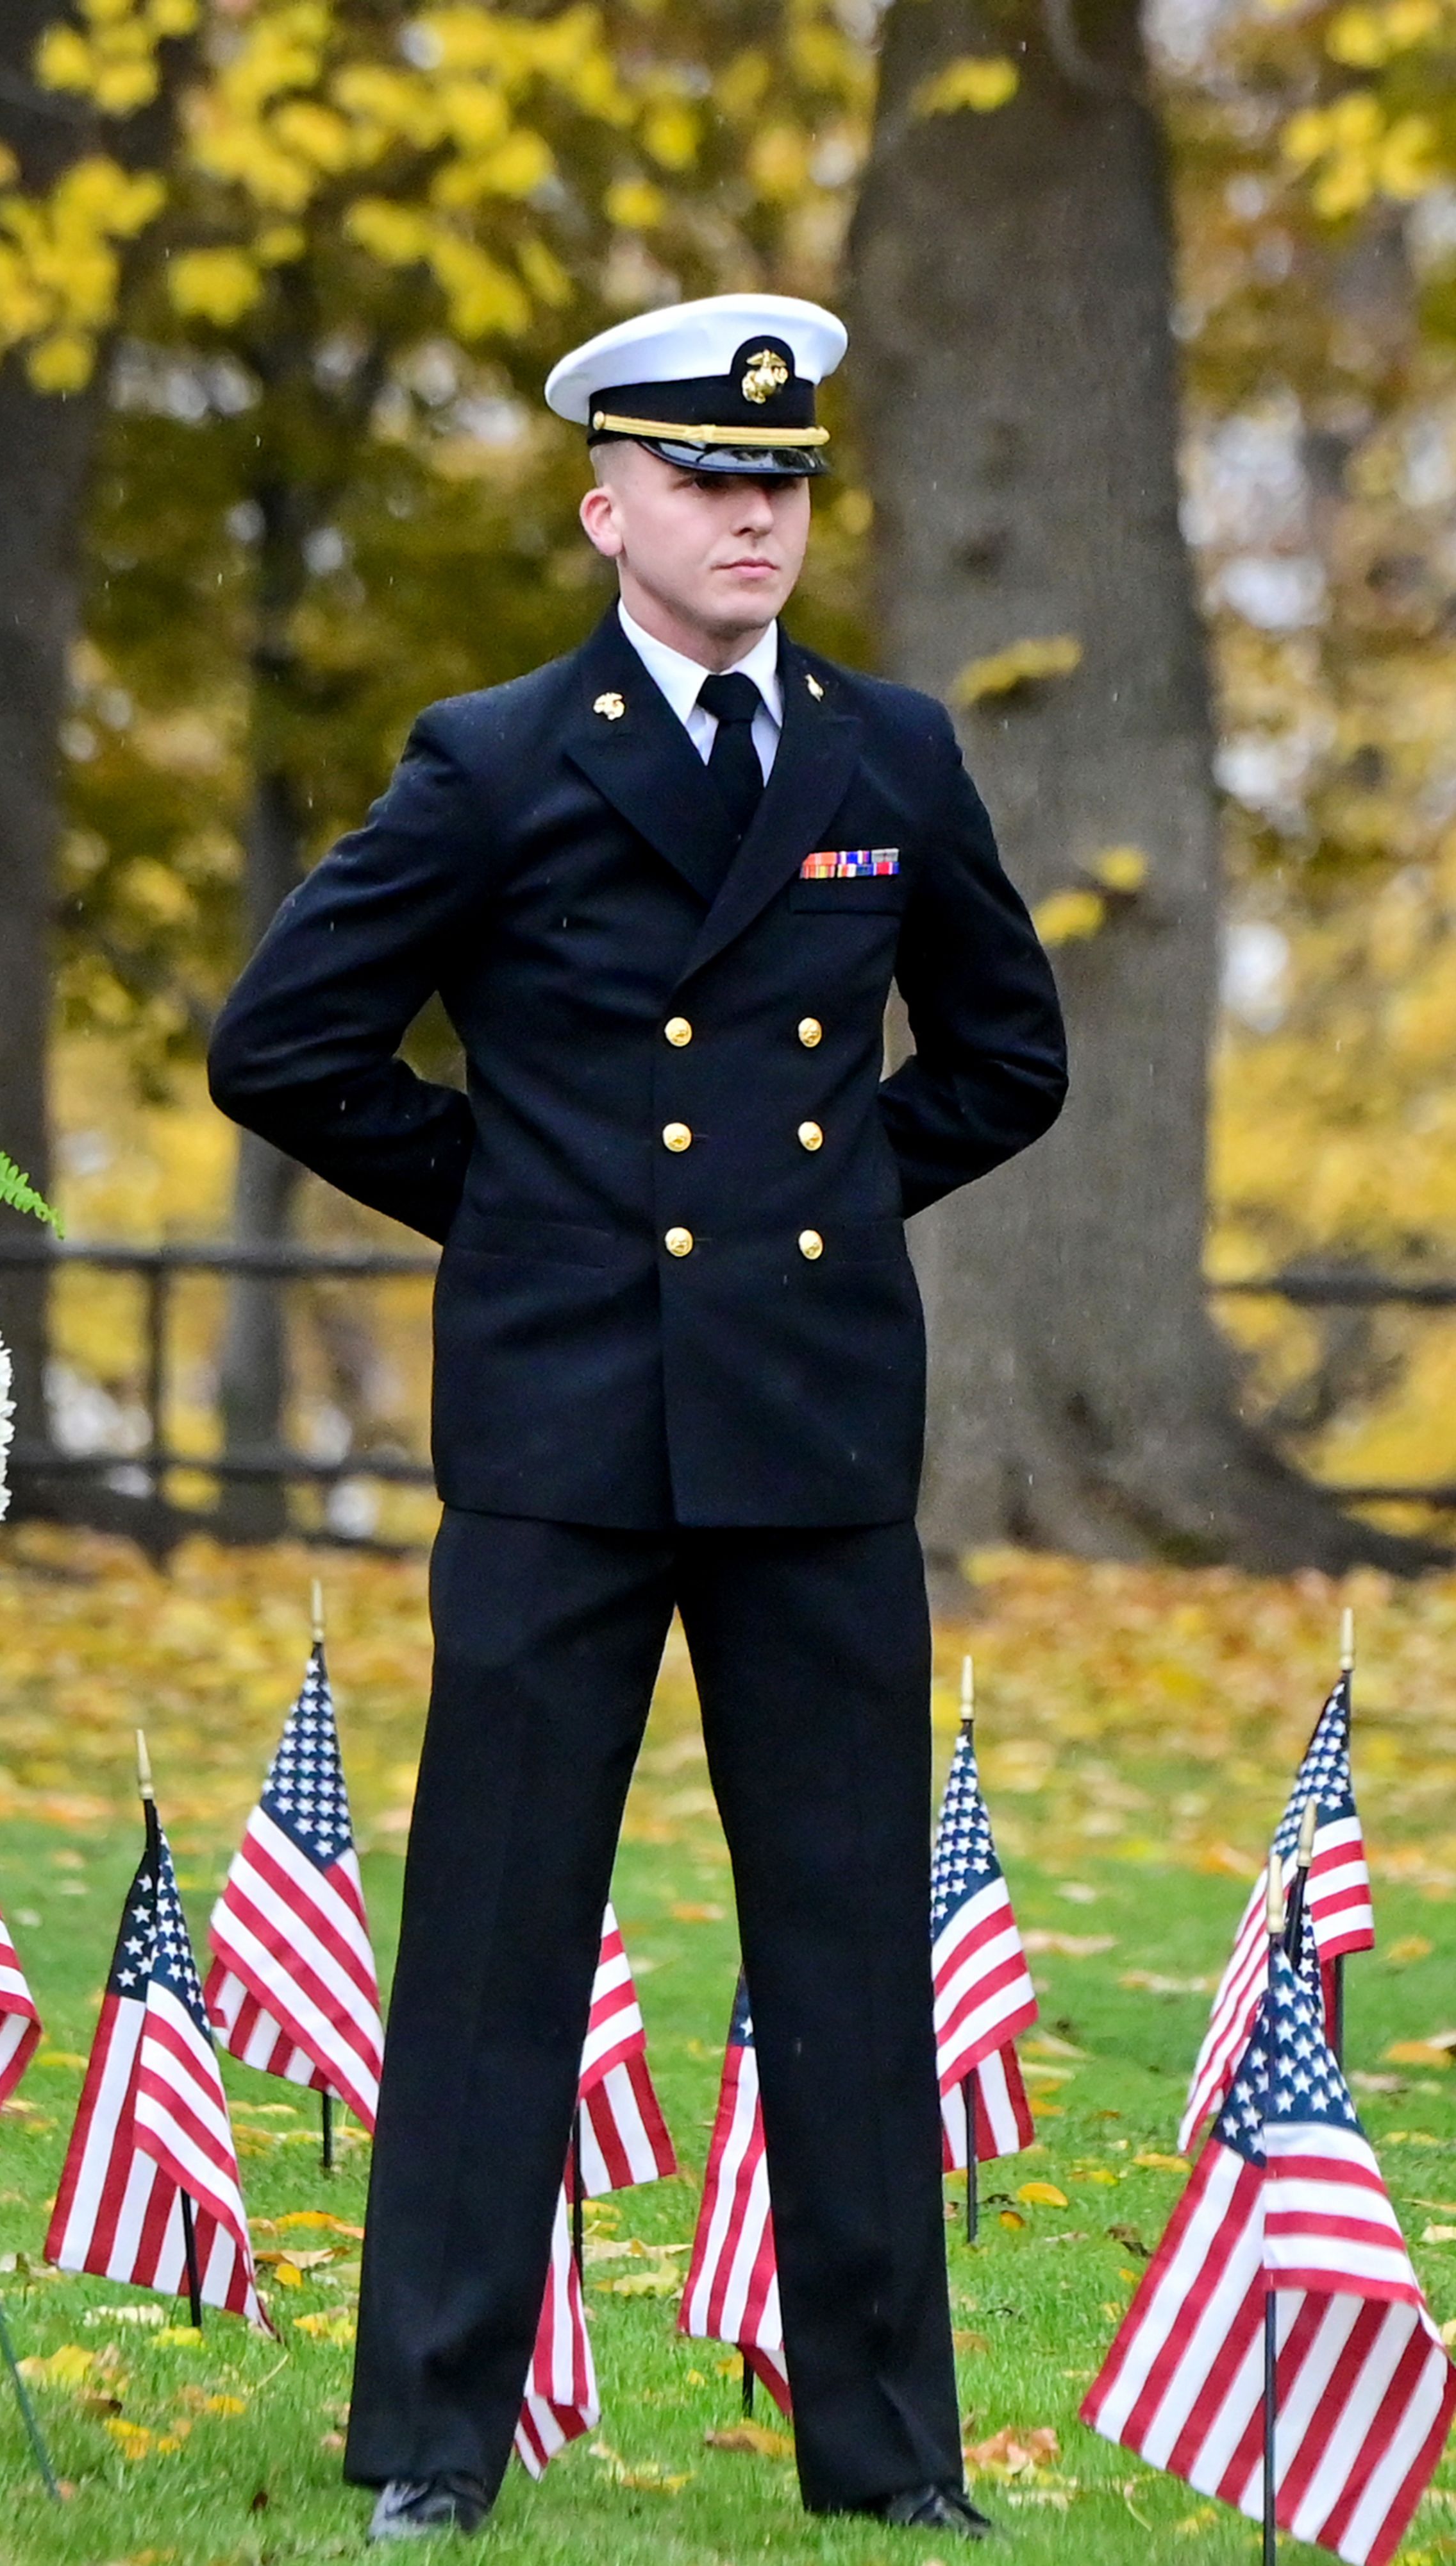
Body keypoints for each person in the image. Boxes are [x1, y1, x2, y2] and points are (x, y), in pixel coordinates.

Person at [206, 292, 1067, 2543]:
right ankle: (426, 2449)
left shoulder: (891, 752)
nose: (752, 515)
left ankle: (889, 2463)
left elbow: (1008, 1057)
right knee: (495, 1940)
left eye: (780, 481)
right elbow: (281, 1045)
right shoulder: (492, 757)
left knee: (853, 1957)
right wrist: (514, 1204)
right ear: (609, 508)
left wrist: (837, 1200)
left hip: (809, 1437)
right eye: (705, 479)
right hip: (565, 1431)